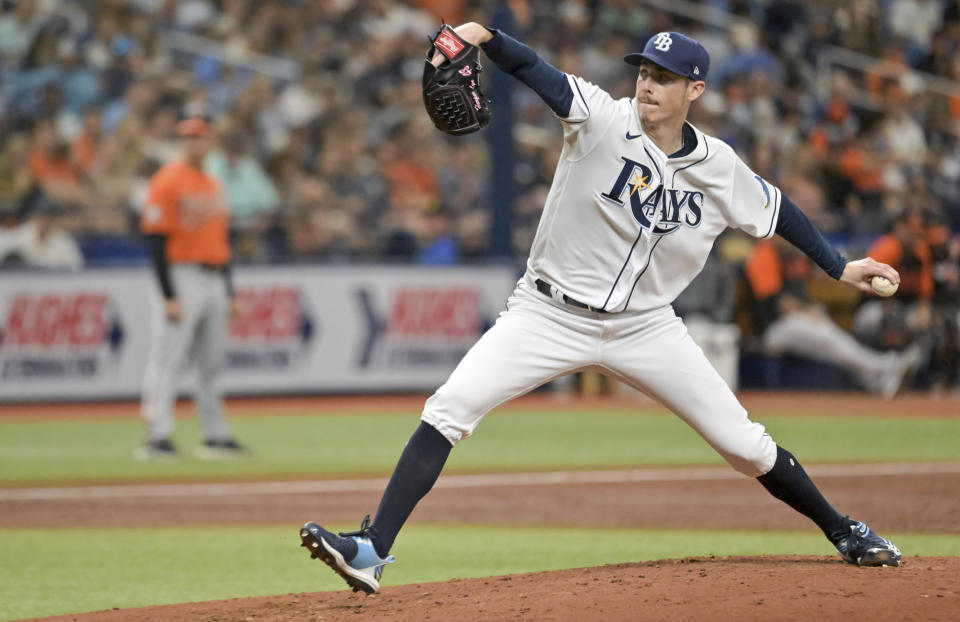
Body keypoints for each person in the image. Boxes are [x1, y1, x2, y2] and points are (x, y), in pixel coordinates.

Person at [299, 25, 902, 594]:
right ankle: (372, 550)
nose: (646, 84)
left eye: (664, 77)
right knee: (450, 407)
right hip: (546, 314)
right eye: (643, 70)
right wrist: (485, 37)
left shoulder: (718, 165)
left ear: (695, 90)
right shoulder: (599, 116)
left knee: (745, 446)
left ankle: (844, 529)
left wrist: (840, 267)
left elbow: (781, 211)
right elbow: (534, 70)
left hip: (647, 327)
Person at [137, 116, 248, 460]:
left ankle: (214, 435)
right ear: (179, 142)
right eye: (187, 137)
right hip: (181, 274)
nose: (194, 143)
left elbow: (221, 240)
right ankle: (156, 436)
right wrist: (169, 294)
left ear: (209, 142)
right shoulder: (167, 180)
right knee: (167, 358)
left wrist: (229, 291)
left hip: (214, 275)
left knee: (211, 362)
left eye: (200, 137)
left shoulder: (213, 183)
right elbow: (155, 239)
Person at [747, 238, 922, 397]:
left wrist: (809, 309)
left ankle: (879, 380)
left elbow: (805, 289)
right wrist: (804, 310)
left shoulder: (790, 255)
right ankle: (885, 366)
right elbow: (777, 302)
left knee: (834, 344)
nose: (785, 235)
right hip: (773, 329)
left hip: (796, 321)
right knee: (829, 340)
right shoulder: (764, 254)